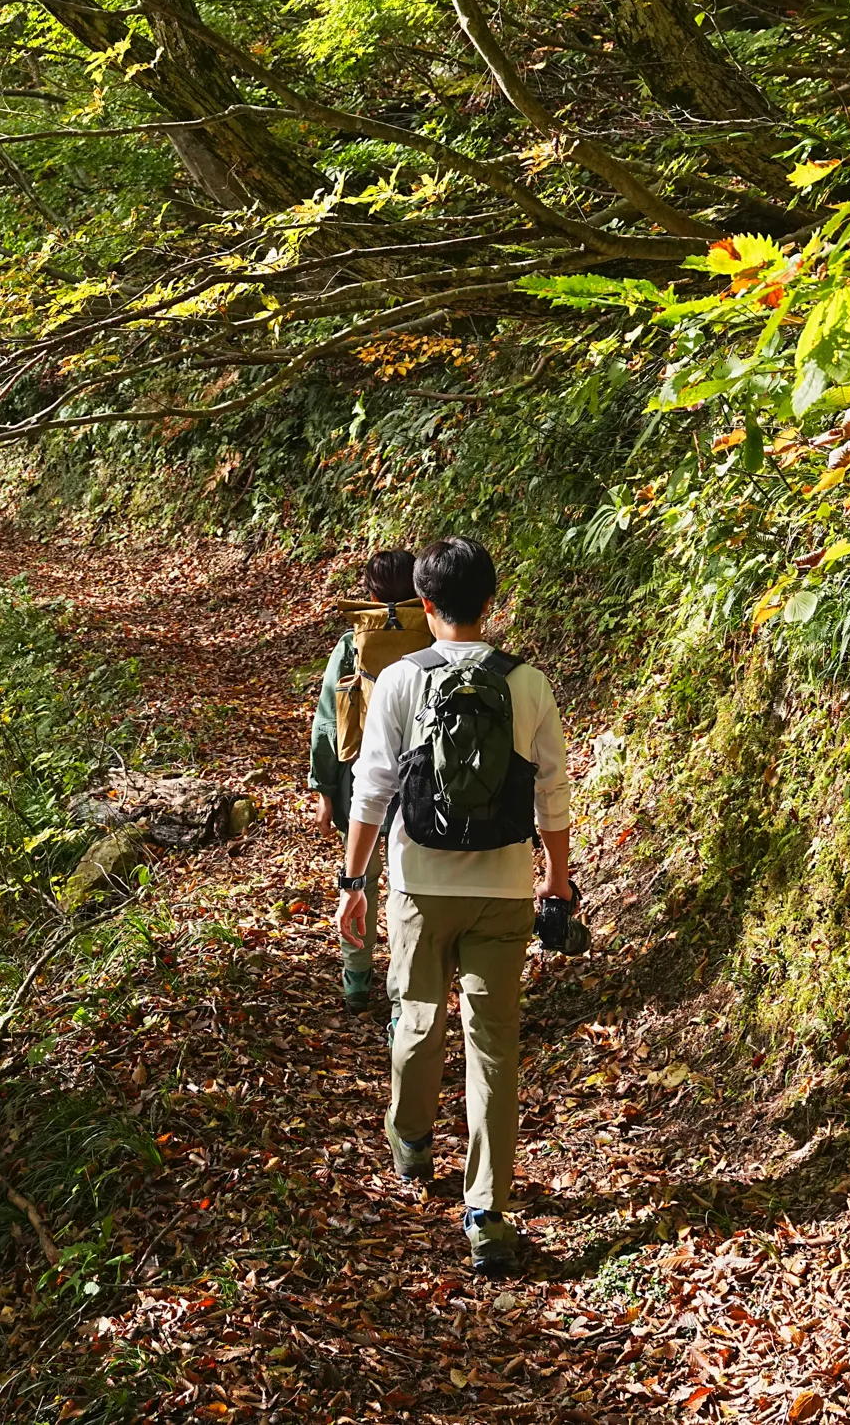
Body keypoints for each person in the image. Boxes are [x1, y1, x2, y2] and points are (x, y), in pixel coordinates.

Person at [332, 535, 571, 1276]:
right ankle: (488, 1211)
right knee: (494, 1046)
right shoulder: (528, 683)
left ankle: (410, 1144)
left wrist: (352, 884)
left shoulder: (401, 679)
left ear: (426, 606)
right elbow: (553, 793)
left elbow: (372, 788)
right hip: (502, 889)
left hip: (418, 885)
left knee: (419, 1016)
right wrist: (556, 882)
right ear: (492, 604)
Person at [308, 549, 423, 1008]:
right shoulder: (433, 637)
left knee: (360, 879)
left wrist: (322, 788)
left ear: (371, 594)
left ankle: (356, 977)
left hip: (362, 778)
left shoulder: (352, 644)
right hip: (421, 779)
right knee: (406, 882)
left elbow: (327, 723)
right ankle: (404, 986)